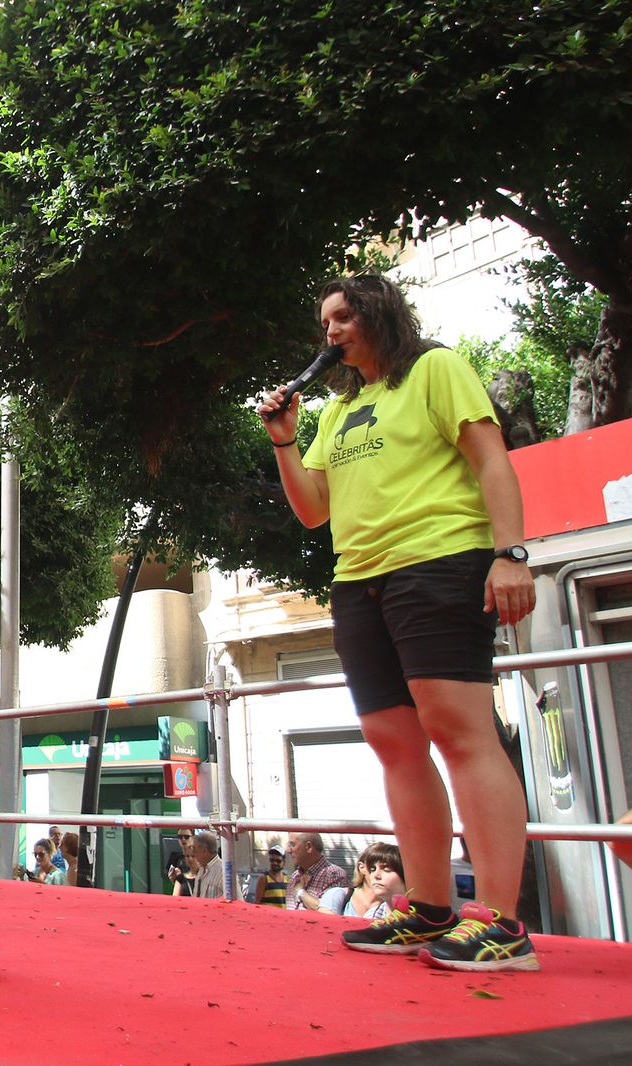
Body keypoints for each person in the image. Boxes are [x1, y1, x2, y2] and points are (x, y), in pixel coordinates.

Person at [261, 271, 539, 971]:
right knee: (393, 740)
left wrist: (510, 555)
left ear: (378, 313)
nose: (330, 331)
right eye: (324, 322)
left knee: (458, 728)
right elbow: (313, 511)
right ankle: (429, 909)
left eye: (342, 317)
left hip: (439, 561)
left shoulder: (437, 369)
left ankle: (505, 924)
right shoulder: (338, 410)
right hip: (359, 579)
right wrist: (285, 442)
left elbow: (491, 460)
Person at [283, 833, 348, 912]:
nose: (288, 850)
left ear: (309, 847)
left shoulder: (334, 875)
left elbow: (328, 912)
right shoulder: (295, 876)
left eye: (292, 845)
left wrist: (300, 892)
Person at [192, 829, 226, 899]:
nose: (193, 853)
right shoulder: (201, 870)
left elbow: (236, 900)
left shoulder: (224, 872)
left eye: (195, 849)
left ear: (204, 850)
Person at [165, 829, 196, 896]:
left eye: (186, 837)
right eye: (180, 837)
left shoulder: (200, 855)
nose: (183, 839)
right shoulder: (175, 857)